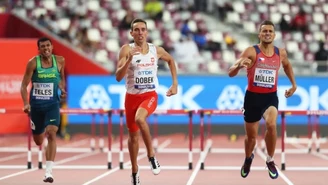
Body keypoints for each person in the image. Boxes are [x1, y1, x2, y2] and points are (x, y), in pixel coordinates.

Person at [228, 20, 297, 179]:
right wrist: (239, 66)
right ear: (259, 34)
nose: (267, 33)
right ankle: (248, 159)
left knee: (271, 124)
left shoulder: (281, 53)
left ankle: (270, 160)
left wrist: (294, 85)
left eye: (270, 31)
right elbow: (230, 72)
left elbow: (287, 66)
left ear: (274, 35)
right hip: (252, 98)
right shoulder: (251, 52)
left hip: (270, 97)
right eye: (264, 31)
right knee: (251, 138)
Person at [115, 18, 178, 185]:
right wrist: (128, 60)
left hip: (149, 96)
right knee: (133, 137)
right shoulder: (126, 50)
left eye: (143, 29)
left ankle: (151, 156)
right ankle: (135, 171)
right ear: (131, 33)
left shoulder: (155, 50)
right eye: (137, 30)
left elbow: (171, 60)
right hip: (131, 98)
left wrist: (175, 84)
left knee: (140, 119)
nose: (140, 32)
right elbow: (118, 77)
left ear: (147, 32)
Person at [20, 37, 66, 183]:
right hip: (37, 107)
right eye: (42, 47)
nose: (46, 48)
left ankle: (48, 172)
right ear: (39, 49)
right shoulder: (33, 62)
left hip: (52, 105)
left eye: (48, 46)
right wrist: (26, 103)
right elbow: (23, 85)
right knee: (39, 141)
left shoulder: (60, 61)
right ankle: (44, 143)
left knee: (52, 133)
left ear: (52, 46)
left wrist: (61, 88)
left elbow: (61, 78)